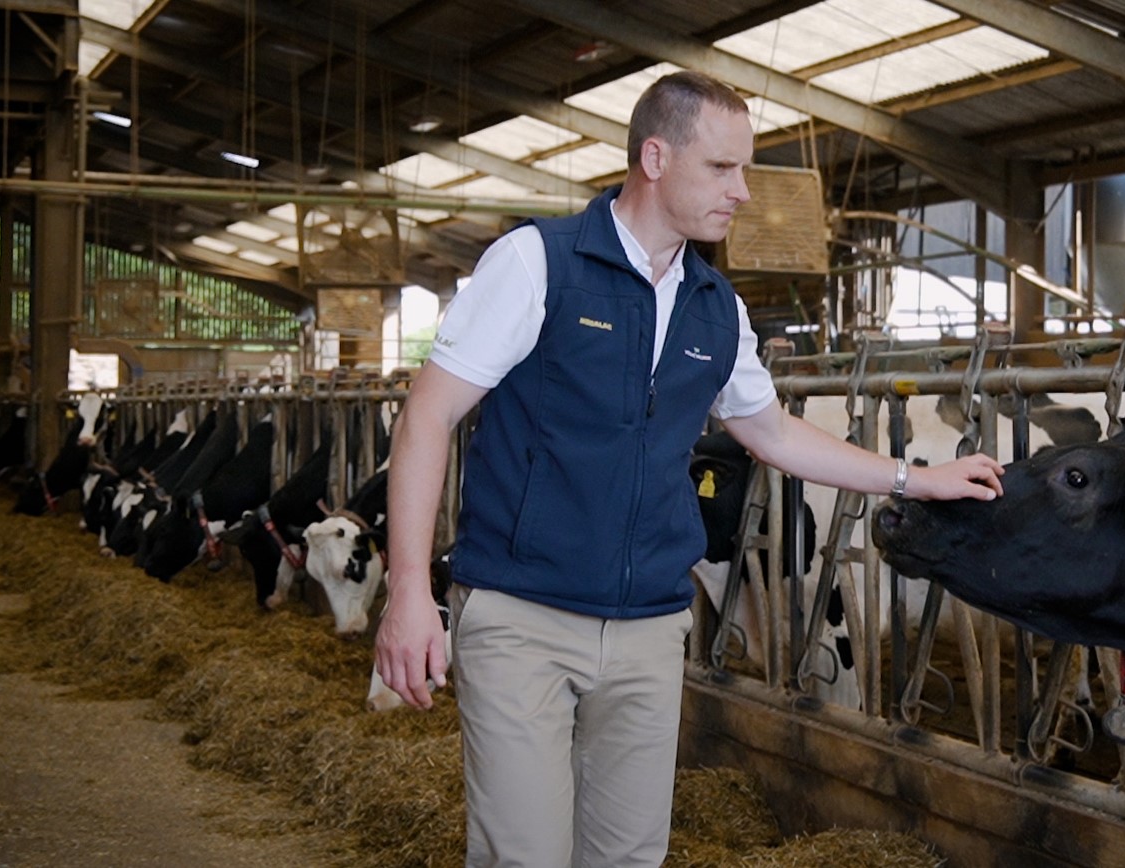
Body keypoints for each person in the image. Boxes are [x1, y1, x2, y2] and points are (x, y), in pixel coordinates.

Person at [374, 70, 1004, 868]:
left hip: (649, 626)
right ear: (656, 157)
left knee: (630, 856)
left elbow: (771, 432)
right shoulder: (540, 265)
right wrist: (407, 592)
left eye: (745, 169)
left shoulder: (716, 305)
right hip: (522, 614)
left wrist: (916, 479)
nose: (743, 192)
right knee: (524, 854)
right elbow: (427, 414)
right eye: (722, 168)